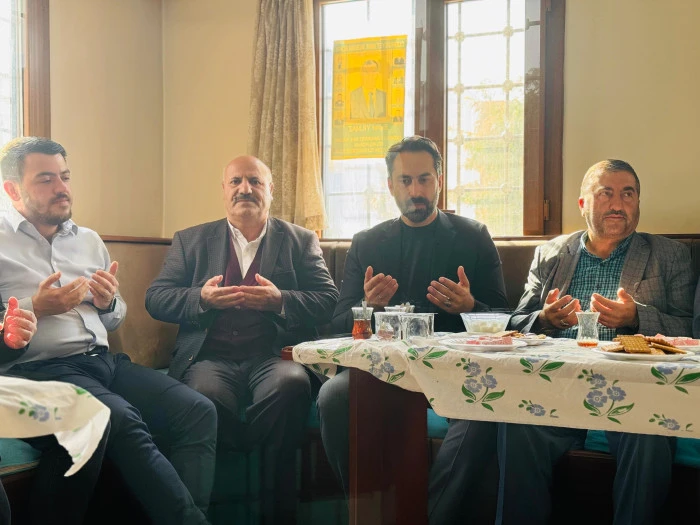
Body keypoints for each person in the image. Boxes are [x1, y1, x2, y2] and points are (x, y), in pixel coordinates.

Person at [0, 137, 217, 525]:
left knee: (197, 411)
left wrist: (108, 303)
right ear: (13, 190)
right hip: (39, 371)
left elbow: (114, 319)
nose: (62, 188)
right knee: (119, 418)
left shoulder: (88, 240)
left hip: (104, 362)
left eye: (65, 177)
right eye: (46, 179)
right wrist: (37, 308)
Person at [319, 136, 509, 524]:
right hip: (382, 369)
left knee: (486, 410)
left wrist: (470, 307)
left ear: (439, 180)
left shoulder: (473, 236)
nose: (415, 190)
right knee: (332, 397)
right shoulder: (367, 243)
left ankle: (429, 517)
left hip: (456, 370)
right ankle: (365, 513)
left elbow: (505, 317)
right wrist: (367, 306)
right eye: (406, 181)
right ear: (391, 185)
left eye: (424, 179)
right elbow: (336, 325)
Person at [145, 155, 339, 524]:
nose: (244, 189)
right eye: (235, 182)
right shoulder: (191, 240)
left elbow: (328, 300)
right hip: (209, 359)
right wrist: (201, 298)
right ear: (224, 190)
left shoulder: (300, 240)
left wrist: (279, 300)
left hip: (274, 357)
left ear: (270, 190)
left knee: (291, 385)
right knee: (204, 396)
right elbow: (156, 298)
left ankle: (274, 513)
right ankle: (231, 502)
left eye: (254, 181)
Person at [501, 159, 695, 525]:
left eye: (628, 194)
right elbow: (516, 322)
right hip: (556, 386)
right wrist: (545, 318)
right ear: (583, 204)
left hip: (636, 391)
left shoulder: (670, 255)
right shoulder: (551, 253)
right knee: (514, 425)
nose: (618, 204)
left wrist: (637, 318)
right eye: (606, 194)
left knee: (649, 432)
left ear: (638, 203)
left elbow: (690, 329)